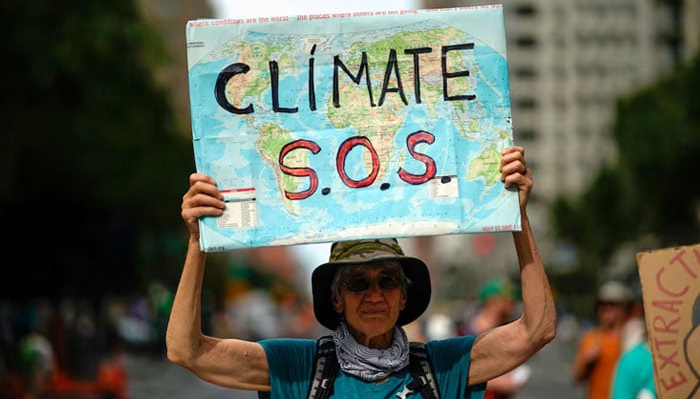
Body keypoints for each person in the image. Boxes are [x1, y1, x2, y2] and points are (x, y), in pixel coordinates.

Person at [166, 145, 557, 399]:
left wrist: (517, 217)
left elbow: (536, 330)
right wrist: (198, 241)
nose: (374, 294)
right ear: (337, 298)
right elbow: (187, 351)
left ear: (403, 295)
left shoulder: (443, 367)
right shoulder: (299, 369)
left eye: (387, 281)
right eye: (357, 282)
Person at [461, 278, 529, 399]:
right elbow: (463, 373)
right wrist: (500, 381)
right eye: (507, 298)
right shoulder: (467, 333)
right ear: (493, 301)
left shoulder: (506, 332)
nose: (512, 303)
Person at [572, 280, 633, 399]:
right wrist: (587, 362)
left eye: (612, 304)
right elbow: (577, 376)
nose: (606, 309)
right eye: (602, 304)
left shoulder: (633, 338)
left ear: (623, 307)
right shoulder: (593, 338)